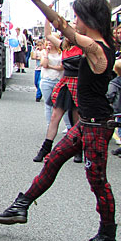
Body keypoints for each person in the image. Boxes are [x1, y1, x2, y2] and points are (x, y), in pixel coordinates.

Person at [0, 0, 117, 241]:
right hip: (85, 123)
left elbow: (63, 28)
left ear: (89, 18)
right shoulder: (92, 47)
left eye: (77, 17)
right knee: (53, 161)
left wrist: (36, 0)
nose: (74, 21)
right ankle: (22, 205)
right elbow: (61, 32)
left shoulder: (98, 50)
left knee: (97, 181)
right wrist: (38, 3)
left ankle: (107, 236)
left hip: (96, 126)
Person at [32, 19, 82, 163]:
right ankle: (45, 149)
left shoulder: (83, 47)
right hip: (66, 83)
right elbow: (47, 34)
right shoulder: (64, 47)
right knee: (55, 116)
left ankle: (78, 149)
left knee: (76, 119)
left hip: (78, 83)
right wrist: (47, 19)